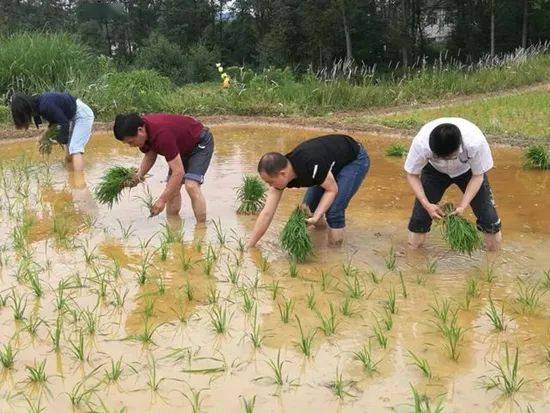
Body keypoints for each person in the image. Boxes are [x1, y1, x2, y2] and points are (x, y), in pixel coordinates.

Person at [247, 134, 370, 248]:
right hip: (329, 163)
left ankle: (334, 254)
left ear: (283, 174)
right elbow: (267, 213)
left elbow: (332, 190)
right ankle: (322, 235)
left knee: (334, 212)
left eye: (270, 182)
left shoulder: (311, 165)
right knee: (306, 211)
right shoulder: (282, 170)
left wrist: (317, 216)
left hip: (354, 159)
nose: (270, 186)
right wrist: (250, 245)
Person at [404, 117, 502, 251]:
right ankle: (413, 258)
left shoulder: (475, 142)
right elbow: (411, 174)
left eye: (450, 157)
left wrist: (463, 206)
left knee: (489, 219)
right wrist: (427, 205)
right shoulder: (421, 143)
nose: (445, 160)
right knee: (420, 218)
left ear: (459, 146)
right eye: (440, 157)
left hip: (468, 171)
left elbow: (478, 176)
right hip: (434, 171)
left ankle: (493, 259)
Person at [113, 113, 214, 221]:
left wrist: (162, 200)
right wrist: (139, 176)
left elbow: (178, 172)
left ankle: (201, 228)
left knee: (191, 185)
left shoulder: (162, 135)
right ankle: (173, 228)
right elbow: (151, 154)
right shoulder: (144, 134)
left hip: (199, 143)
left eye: (131, 142)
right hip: (180, 147)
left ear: (140, 130)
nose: (131, 146)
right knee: (173, 188)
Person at [10, 92, 94, 172]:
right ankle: (71, 179)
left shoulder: (45, 105)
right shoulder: (37, 104)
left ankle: (80, 183)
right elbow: (54, 122)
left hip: (82, 114)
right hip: (71, 116)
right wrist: (43, 137)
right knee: (69, 155)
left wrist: (60, 139)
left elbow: (63, 122)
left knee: (75, 149)